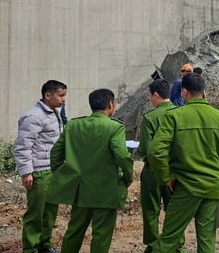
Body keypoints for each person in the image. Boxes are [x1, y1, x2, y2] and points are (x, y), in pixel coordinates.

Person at [148, 73, 219, 252]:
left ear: (184, 92)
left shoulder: (175, 116)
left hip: (186, 187)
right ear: (204, 92)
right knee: (207, 239)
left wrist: (166, 177)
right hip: (212, 187)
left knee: (169, 238)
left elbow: (156, 151)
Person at [47, 89, 134, 253]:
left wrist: (64, 175)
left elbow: (55, 154)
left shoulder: (73, 125)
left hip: (80, 190)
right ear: (110, 104)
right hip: (106, 190)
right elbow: (122, 156)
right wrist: (127, 177)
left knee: (74, 231)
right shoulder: (114, 128)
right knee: (101, 235)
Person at [13, 80, 67, 253]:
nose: (63, 99)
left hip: (53, 170)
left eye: (64, 95)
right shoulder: (34, 116)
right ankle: (30, 248)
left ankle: (44, 245)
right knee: (36, 213)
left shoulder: (53, 113)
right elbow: (23, 146)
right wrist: (26, 172)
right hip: (39, 171)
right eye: (61, 95)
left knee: (50, 211)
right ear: (48, 95)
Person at [138, 79, 175, 252]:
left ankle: (153, 245)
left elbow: (145, 148)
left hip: (152, 171)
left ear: (155, 95)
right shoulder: (180, 113)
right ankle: (175, 243)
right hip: (175, 171)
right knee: (174, 210)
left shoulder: (150, 118)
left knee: (151, 210)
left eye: (150, 96)